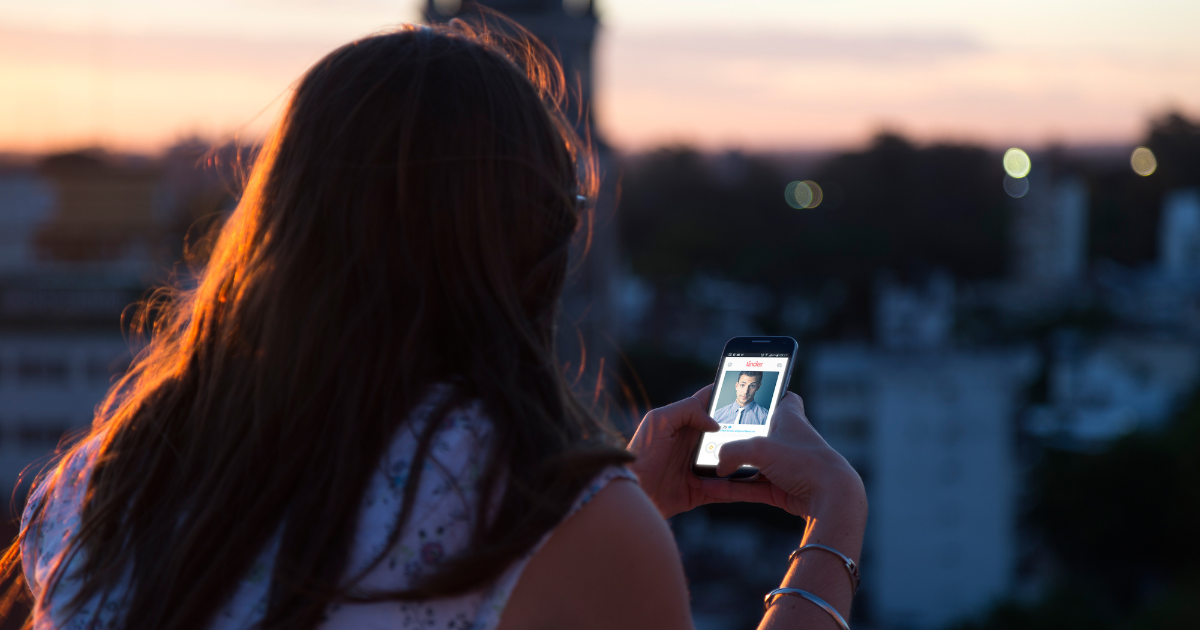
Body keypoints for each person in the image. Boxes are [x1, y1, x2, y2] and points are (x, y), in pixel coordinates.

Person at [0, 18, 867, 630]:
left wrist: (612, 512)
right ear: (532, 246)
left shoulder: (106, 481)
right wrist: (834, 522)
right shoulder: (567, 522)